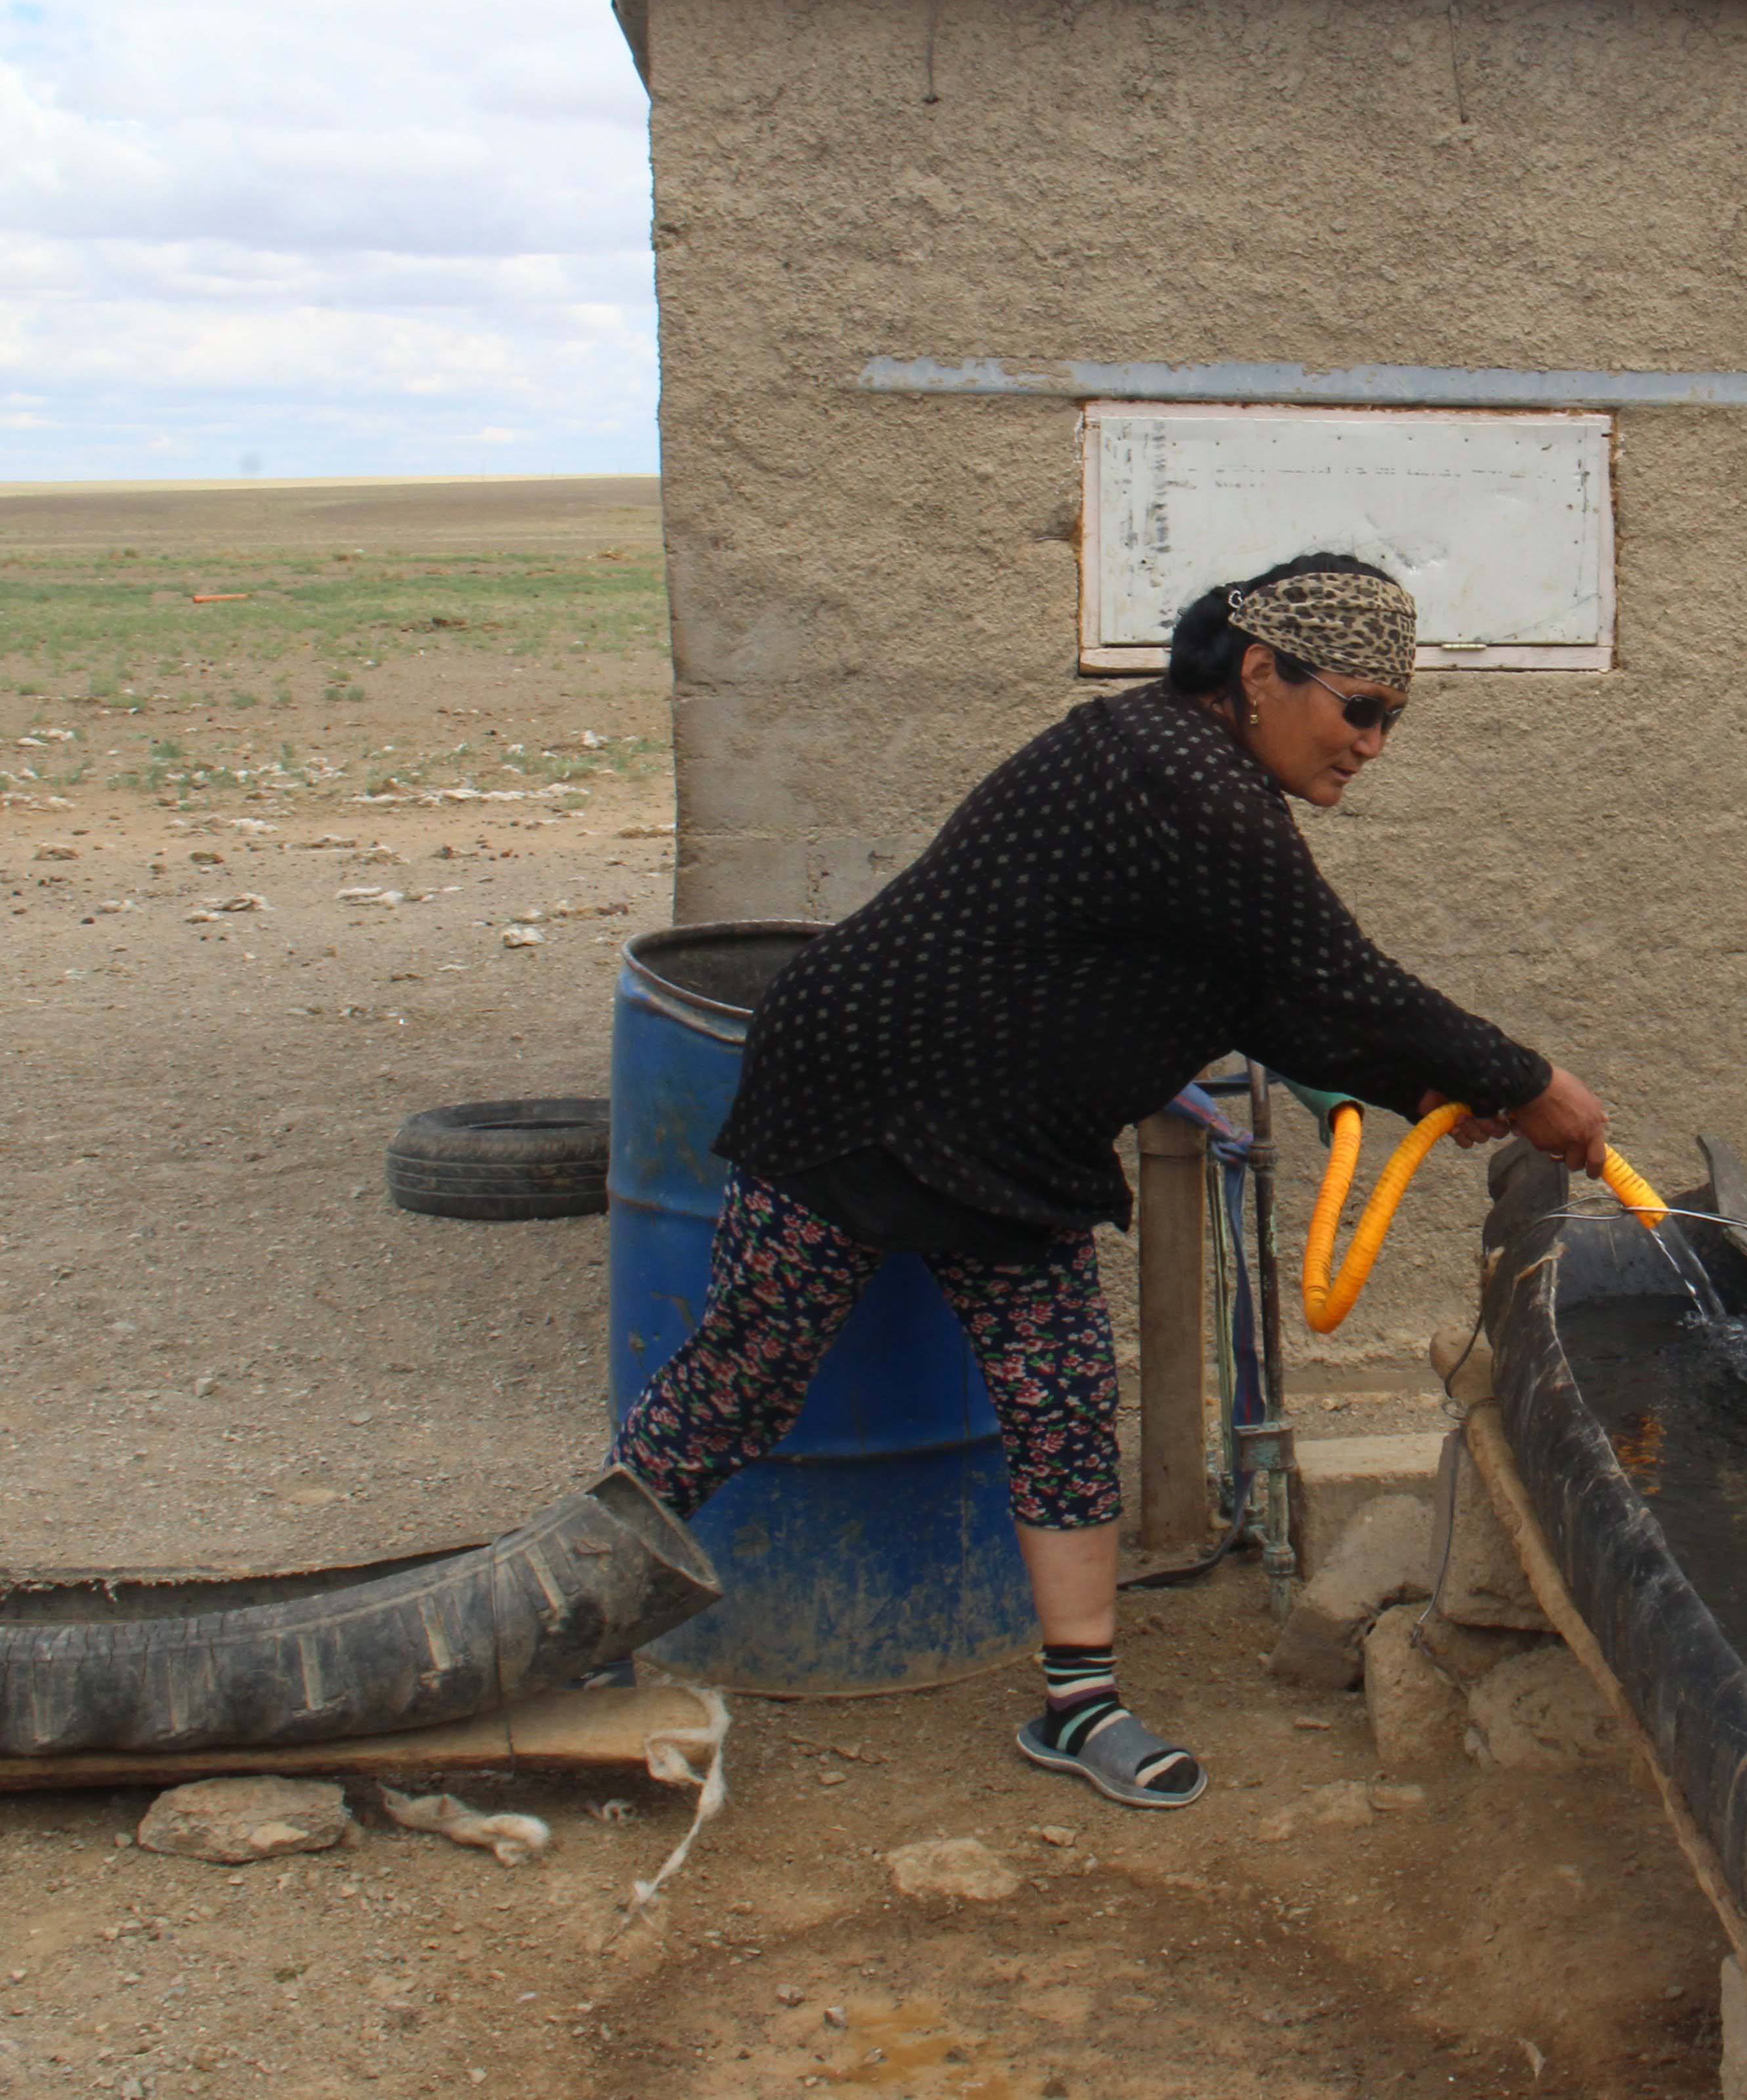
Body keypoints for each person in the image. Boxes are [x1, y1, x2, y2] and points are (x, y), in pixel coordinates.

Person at [609, 555, 1609, 1809]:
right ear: (1261, 673)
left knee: (1063, 1399)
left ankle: (1079, 1709)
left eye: (1393, 717)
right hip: (857, 1089)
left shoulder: (1211, 790)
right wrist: (1534, 1082)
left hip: (1013, 1135)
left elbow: (1270, 997)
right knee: (745, 1379)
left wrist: (1420, 1094)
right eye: (1360, 708)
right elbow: (1337, 974)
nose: (1376, 744)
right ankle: (566, 1608)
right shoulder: (1174, 774)